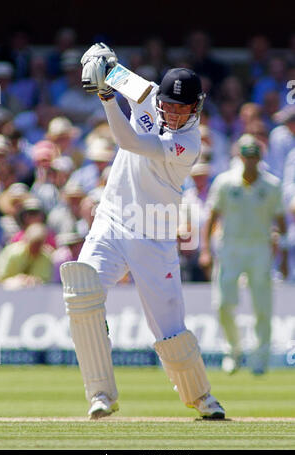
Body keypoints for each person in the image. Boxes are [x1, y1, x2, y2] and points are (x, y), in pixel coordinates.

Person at [60, 43, 225, 420]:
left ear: (196, 107)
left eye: (183, 108)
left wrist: (105, 98)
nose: (174, 113)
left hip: (154, 232)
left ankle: (201, 398)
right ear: (160, 96)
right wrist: (98, 58)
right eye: (169, 105)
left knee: (170, 330)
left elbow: (129, 142)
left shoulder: (187, 144)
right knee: (81, 293)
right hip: (113, 219)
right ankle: (101, 395)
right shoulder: (147, 92)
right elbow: (109, 68)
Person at [199, 134, 288, 375]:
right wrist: (206, 249)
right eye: (246, 156)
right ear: (240, 156)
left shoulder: (272, 186)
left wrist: (283, 254)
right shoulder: (226, 182)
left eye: (253, 157)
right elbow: (212, 216)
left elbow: (280, 220)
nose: (249, 161)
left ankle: (260, 357)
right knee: (223, 304)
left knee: (262, 306)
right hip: (230, 247)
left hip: (260, 247)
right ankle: (233, 351)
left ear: (259, 158)